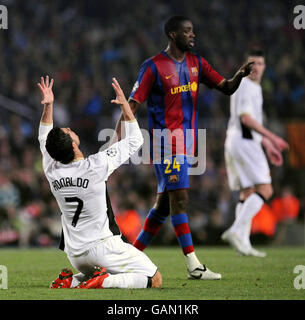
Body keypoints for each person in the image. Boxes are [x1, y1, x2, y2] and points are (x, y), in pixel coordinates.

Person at [112, 15, 254, 280]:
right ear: (173, 35)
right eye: (187, 31)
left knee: (164, 206)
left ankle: (128, 257)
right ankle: (194, 266)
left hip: (187, 143)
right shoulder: (152, 67)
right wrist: (116, 141)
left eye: (193, 31)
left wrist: (239, 76)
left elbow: (225, 87)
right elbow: (132, 105)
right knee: (181, 199)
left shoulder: (196, 63)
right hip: (165, 143)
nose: (193, 35)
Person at [37, 76, 162, 289]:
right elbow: (135, 140)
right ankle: (106, 281)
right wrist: (126, 107)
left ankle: (73, 280)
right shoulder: (96, 165)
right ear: (74, 145)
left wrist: (48, 105)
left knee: (96, 267)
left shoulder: (52, 169)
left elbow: (44, 137)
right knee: (155, 279)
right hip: (103, 248)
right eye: (67, 131)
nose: (68, 128)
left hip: (75, 254)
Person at [221, 48, 289, 257]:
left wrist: (267, 145)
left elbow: (252, 122)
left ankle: (244, 244)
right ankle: (235, 231)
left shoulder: (253, 88)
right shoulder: (246, 86)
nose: (256, 67)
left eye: (260, 63)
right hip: (244, 143)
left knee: (247, 192)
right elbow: (247, 120)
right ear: (246, 67)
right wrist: (273, 138)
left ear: (264, 66)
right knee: (266, 190)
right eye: (252, 64)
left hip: (237, 141)